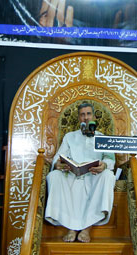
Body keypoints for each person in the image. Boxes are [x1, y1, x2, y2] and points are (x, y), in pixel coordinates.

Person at [45, 102, 116, 243]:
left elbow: (110, 159)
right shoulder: (69, 137)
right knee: (54, 176)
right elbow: (58, 158)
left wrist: (104, 165)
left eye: (88, 114)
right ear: (79, 118)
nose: (86, 117)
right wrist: (59, 164)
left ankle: (87, 228)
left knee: (108, 175)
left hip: (94, 175)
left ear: (94, 116)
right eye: (82, 115)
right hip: (72, 174)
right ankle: (70, 228)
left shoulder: (102, 137)